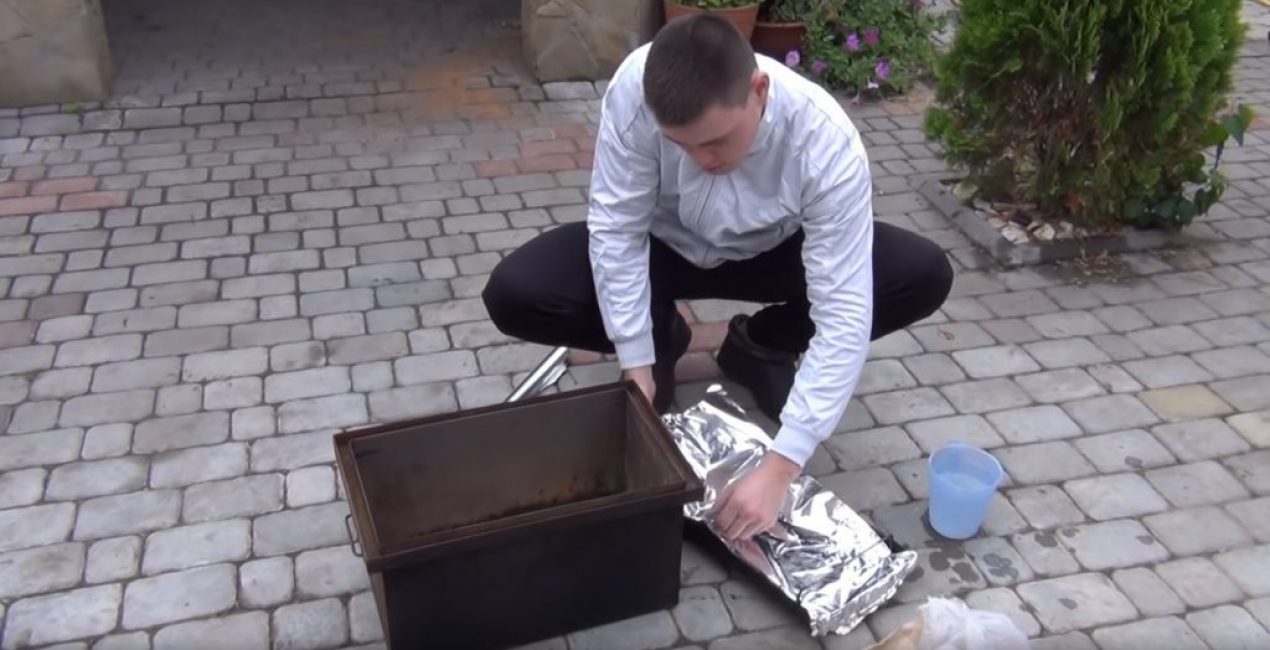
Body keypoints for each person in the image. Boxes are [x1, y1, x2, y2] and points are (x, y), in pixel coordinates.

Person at [482, 14, 953, 541]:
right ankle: (664, 339)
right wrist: (636, 363)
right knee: (516, 291)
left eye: (716, 141)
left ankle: (761, 343)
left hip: (772, 252)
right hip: (665, 246)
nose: (700, 159)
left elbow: (844, 314)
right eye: (681, 145)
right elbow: (616, 229)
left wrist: (781, 466)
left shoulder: (824, 141)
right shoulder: (634, 91)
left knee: (918, 273)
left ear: (759, 89)